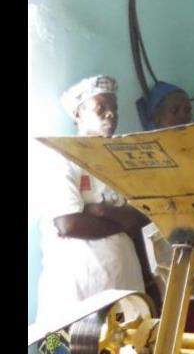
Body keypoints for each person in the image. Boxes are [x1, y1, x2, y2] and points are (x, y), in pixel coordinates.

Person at [36, 75, 154, 326]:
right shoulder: (61, 156)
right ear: (78, 113)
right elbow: (69, 225)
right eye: (101, 107)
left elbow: (142, 219)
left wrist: (100, 212)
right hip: (76, 299)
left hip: (125, 293)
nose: (111, 114)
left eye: (114, 108)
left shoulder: (121, 159)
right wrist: (123, 221)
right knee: (61, 348)